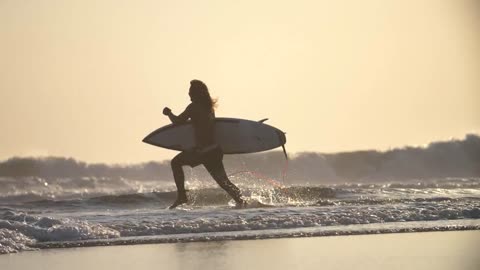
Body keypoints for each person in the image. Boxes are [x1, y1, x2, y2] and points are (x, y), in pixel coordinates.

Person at [163, 80, 245, 209]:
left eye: (190, 92)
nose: (188, 94)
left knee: (175, 163)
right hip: (214, 150)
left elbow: (178, 121)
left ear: (196, 93)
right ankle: (241, 201)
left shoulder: (193, 107)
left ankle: (182, 196)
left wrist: (169, 113)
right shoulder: (209, 107)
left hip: (203, 152)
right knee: (224, 182)